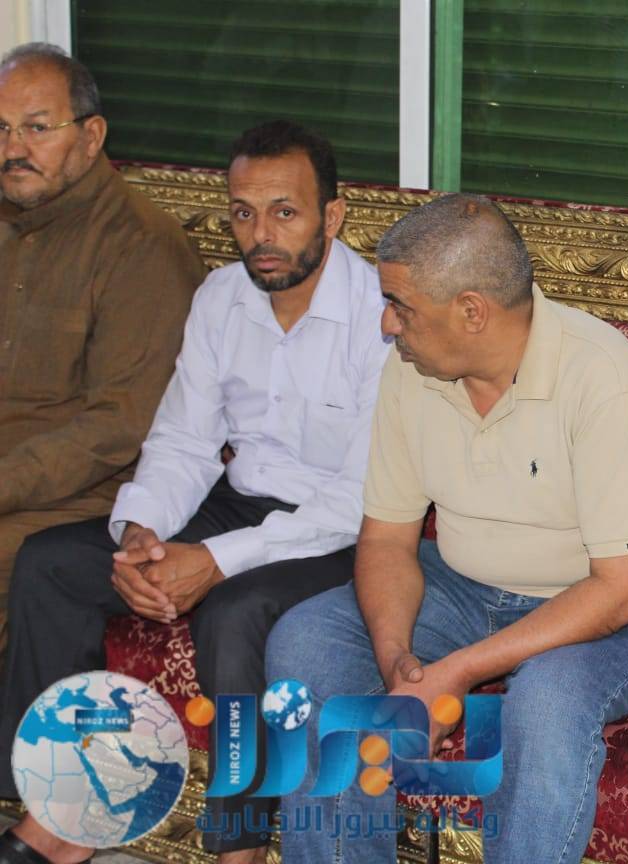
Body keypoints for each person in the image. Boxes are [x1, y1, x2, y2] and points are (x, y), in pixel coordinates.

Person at [265, 193, 628, 864]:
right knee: (307, 641)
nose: (387, 324)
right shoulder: (412, 372)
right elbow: (388, 540)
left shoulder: (600, 377)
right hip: (469, 586)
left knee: (547, 699)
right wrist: (400, 665)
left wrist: (456, 672)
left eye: (400, 306)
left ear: (472, 311)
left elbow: (625, 589)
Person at [0, 120, 388, 864]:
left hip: (340, 531)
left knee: (235, 612)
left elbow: (358, 499)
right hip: (238, 501)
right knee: (51, 565)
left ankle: (239, 849)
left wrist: (212, 560)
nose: (261, 235)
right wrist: (141, 534)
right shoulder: (221, 297)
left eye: (285, 211)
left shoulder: (379, 317)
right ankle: (63, 811)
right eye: (243, 212)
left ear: (333, 216)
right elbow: (183, 439)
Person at [0, 42, 205, 657]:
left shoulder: (141, 246)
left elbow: (117, 427)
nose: (13, 149)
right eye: (2, 129)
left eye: (37, 128)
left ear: (91, 137)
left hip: (73, 496)